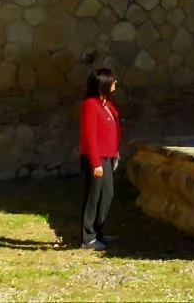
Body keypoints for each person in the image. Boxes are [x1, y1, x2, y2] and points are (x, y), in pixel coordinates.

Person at [78, 68, 121, 251]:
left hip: (108, 156)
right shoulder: (90, 104)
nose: (115, 83)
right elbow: (89, 136)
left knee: (107, 193)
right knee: (93, 196)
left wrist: (115, 153)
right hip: (95, 157)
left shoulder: (106, 104)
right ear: (103, 84)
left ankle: (98, 232)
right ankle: (88, 237)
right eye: (112, 80)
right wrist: (95, 162)